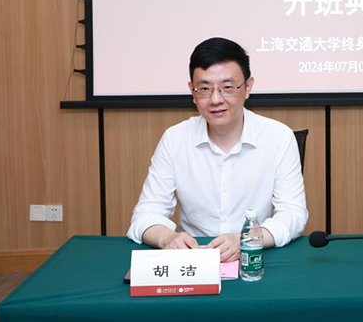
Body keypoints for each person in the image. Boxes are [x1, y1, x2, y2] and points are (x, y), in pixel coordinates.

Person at [127, 37, 308, 260]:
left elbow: (293, 214)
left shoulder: (278, 137)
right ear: (192, 91)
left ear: (248, 87)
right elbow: (145, 214)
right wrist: (167, 238)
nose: (215, 99)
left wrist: (248, 239)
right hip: (195, 259)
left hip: (256, 259)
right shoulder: (175, 139)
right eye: (204, 89)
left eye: (227, 88)